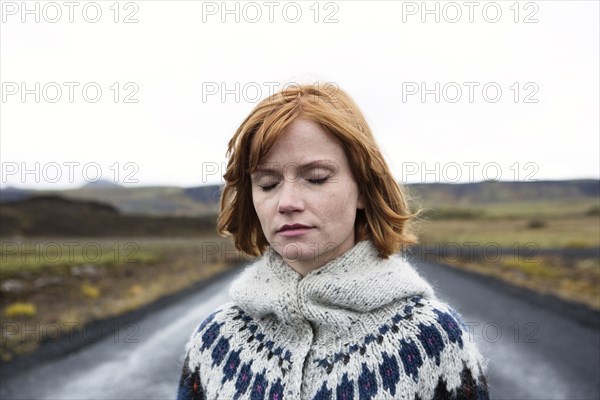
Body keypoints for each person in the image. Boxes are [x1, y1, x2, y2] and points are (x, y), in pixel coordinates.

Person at [176, 83, 490, 399]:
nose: (286, 202)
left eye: (316, 178)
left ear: (364, 190)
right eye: (268, 184)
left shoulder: (434, 339)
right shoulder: (214, 340)